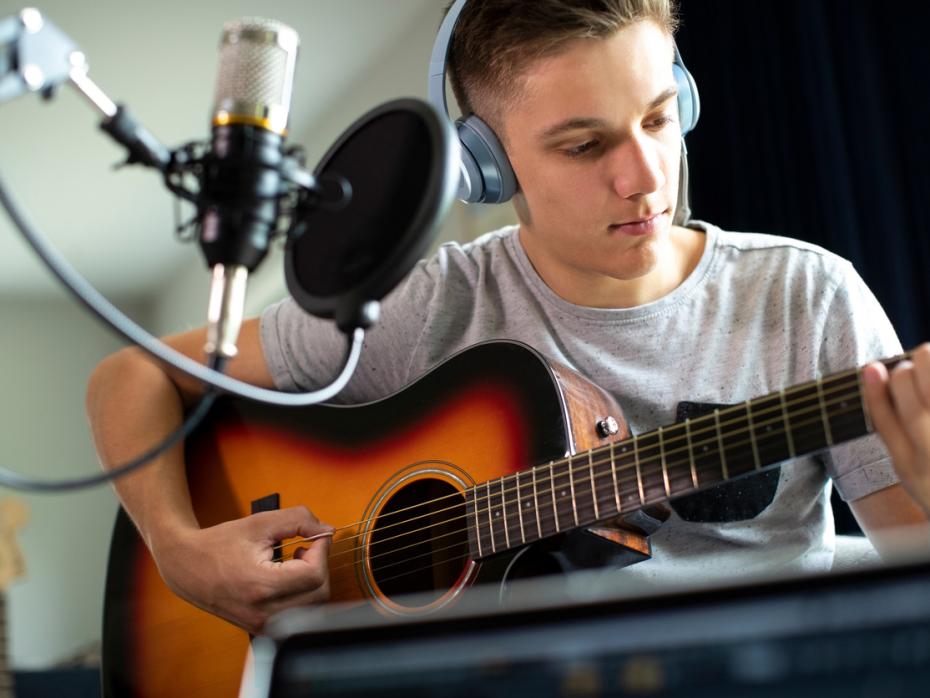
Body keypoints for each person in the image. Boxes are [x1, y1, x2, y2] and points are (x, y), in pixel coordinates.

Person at [86, 0, 929, 636]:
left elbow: (909, 580)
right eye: (584, 145)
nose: (644, 177)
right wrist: (179, 548)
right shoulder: (432, 300)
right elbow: (131, 374)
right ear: (488, 166)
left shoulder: (808, 298)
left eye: (658, 119)